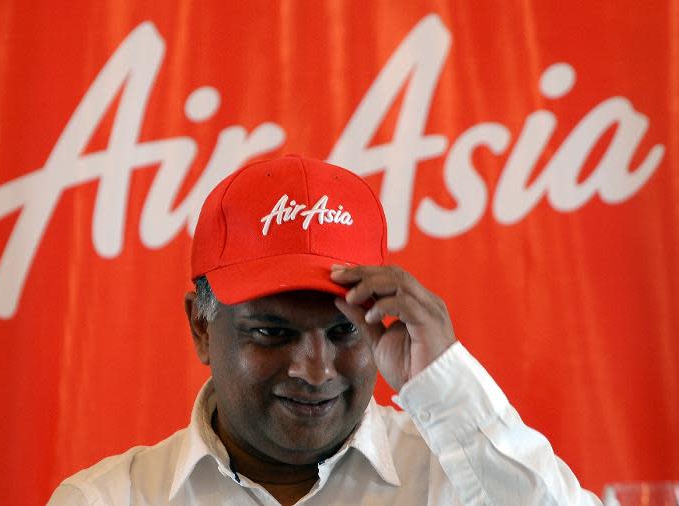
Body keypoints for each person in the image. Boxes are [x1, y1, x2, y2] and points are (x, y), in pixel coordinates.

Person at [48, 155, 601, 505]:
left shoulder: (457, 480)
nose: (314, 370)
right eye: (271, 333)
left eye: (343, 333)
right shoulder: (106, 499)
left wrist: (446, 385)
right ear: (201, 326)